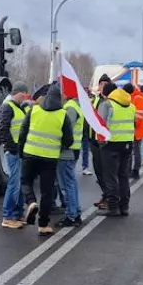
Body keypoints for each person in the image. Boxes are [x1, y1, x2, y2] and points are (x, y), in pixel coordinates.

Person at [17, 83, 74, 235]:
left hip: (30, 153)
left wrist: (21, 149)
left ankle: (31, 202)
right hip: (50, 158)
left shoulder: (34, 110)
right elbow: (69, 140)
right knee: (47, 192)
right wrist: (58, 146)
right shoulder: (63, 115)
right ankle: (43, 225)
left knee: (25, 182)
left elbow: (23, 131)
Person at [96, 83, 135, 214]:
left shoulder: (107, 104)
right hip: (127, 143)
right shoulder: (130, 105)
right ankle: (125, 206)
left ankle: (113, 206)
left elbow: (100, 123)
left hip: (110, 143)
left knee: (111, 176)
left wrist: (100, 142)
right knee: (123, 175)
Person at [0, 83, 32, 229]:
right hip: (14, 151)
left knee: (18, 182)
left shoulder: (19, 107)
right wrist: (12, 147)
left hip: (20, 151)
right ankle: (7, 216)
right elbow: (3, 128)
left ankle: (18, 214)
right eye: (23, 95)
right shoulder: (8, 107)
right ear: (17, 93)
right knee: (14, 183)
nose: (24, 98)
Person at [57, 90, 85, 227]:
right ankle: (75, 211)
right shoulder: (76, 106)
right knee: (71, 182)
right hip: (74, 148)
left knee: (67, 184)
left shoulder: (70, 108)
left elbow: (65, 130)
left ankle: (71, 214)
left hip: (67, 151)